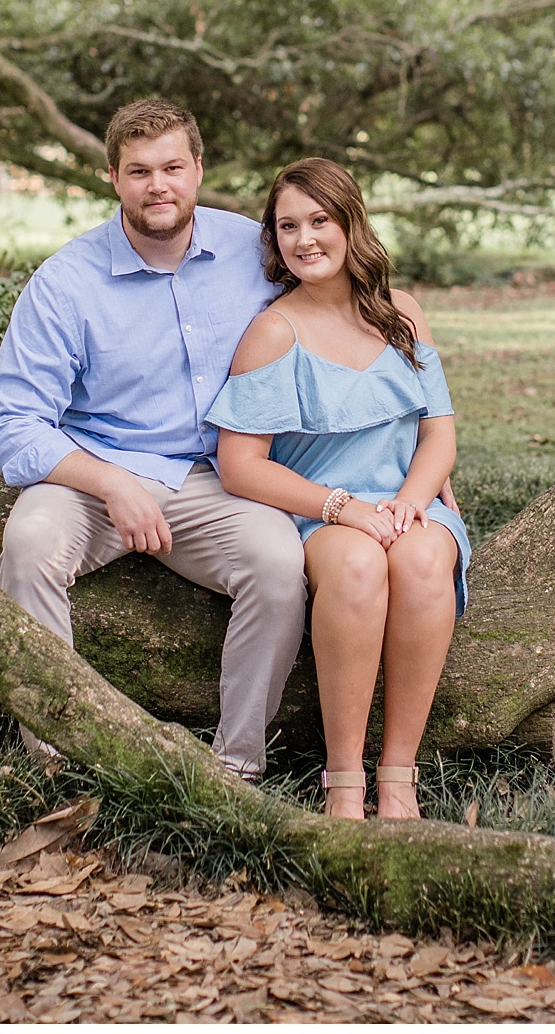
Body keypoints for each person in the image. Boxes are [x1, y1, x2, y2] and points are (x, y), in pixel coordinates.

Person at [0, 99, 308, 781]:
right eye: (138, 171)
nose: (157, 185)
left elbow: (352, 297)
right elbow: (10, 424)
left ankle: (236, 769)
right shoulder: (67, 282)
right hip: (98, 473)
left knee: (279, 566)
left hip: (221, 478)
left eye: (171, 167)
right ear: (113, 178)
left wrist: (428, 423)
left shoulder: (256, 251)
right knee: (30, 542)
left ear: (197, 170)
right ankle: (55, 758)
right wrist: (110, 482)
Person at [206, 158, 469, 821]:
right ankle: (345, 781)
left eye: (320, 220)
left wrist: (412, 500)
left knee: (424, 557)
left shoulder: (402, 315)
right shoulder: (274, 332)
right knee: (356, 566)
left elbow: (440, 436)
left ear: (352, 222)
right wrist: (340, 507)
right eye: (288, 225)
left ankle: (399, 776)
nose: (305, 238)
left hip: (407, 499)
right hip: (318, 511)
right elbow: (239, 464)